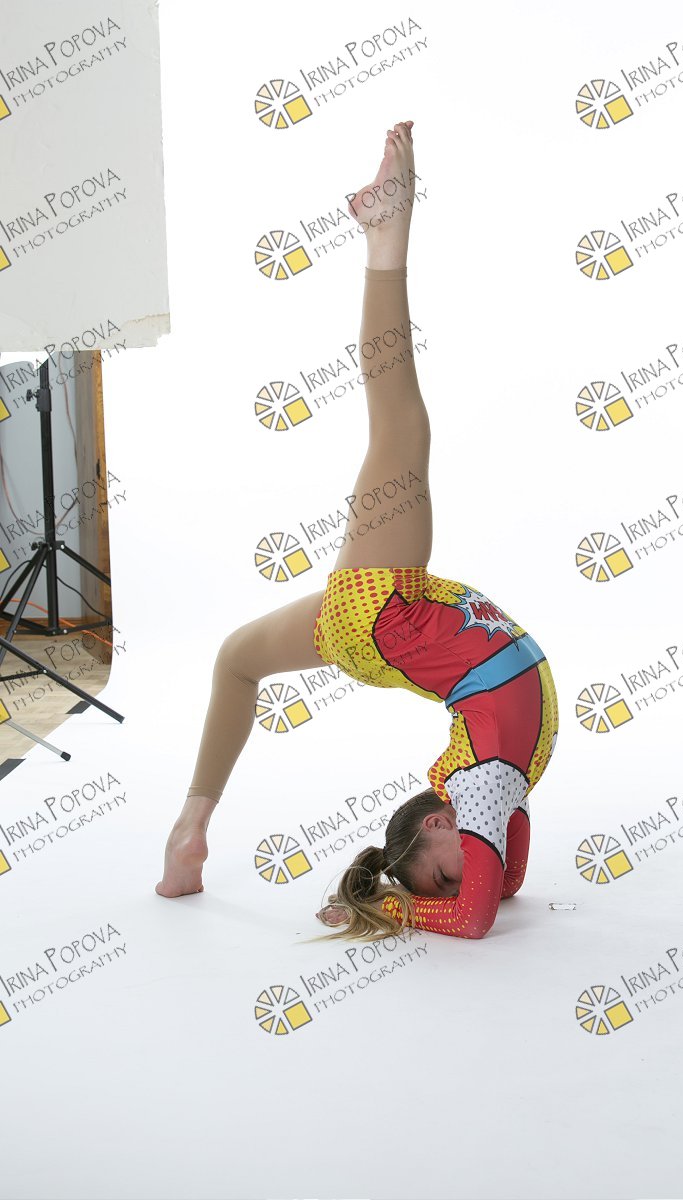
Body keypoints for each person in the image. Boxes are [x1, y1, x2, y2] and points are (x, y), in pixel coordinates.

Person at [156, 119, 559, 941]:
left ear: (437, 823)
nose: (467, 873)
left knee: (399, 426)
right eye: (454, 877)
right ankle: (187, 831)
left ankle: (386, 235)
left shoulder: (478, 788)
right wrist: (414, 896)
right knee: (235, 660)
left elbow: (472, 915)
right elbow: (500, 893)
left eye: (443, 870)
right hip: (379, 632)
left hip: (385, 617)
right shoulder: (499, 802)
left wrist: (387, 904)